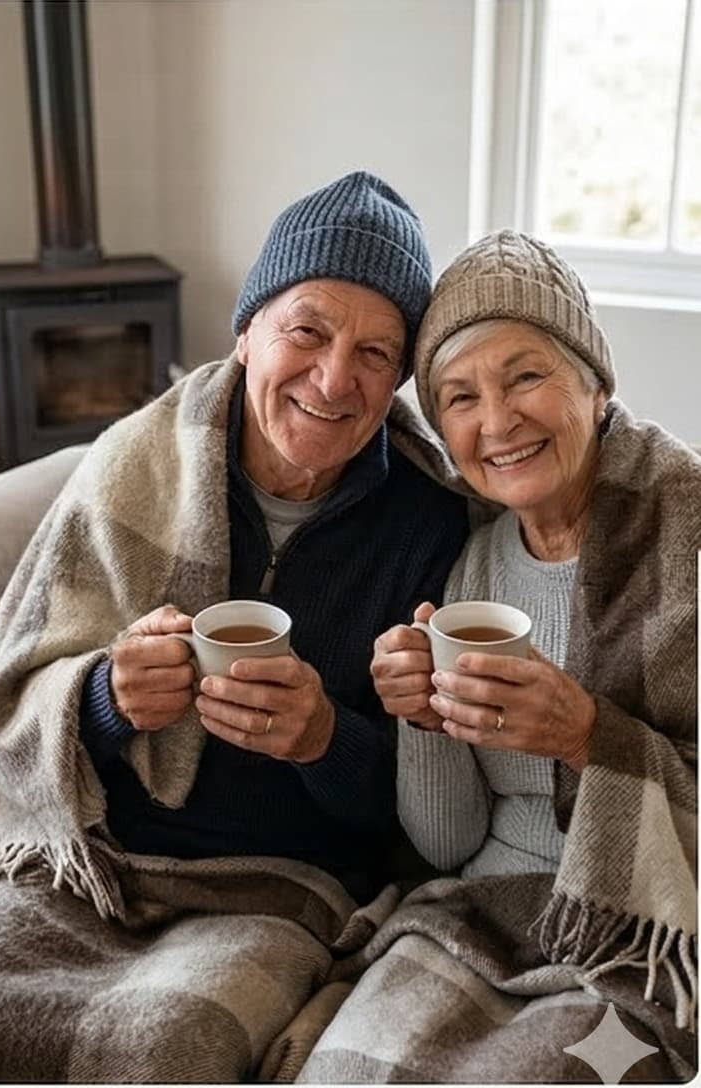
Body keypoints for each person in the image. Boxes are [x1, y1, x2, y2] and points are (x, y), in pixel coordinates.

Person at [0, 171, 468, 1083]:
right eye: (306, 330)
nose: (334, 378)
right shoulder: (131, 465)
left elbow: (431, 812)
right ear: (247, 332)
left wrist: (324, 739)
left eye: (377, 354)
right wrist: (106, 699)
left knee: (170, 1050)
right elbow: (7, 707)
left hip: (279, 881)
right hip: (94, 855)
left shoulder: (429, 524)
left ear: (401, 380)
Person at [298, 230, 699, 1083]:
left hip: (650, 923)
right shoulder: (473, 571)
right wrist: (422, 720)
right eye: (459, 397)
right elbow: (448, 845)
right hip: (480, 909)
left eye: (525, 376)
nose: (498, 420)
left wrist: (592, 737)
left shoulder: (686, 535)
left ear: (595, 387)